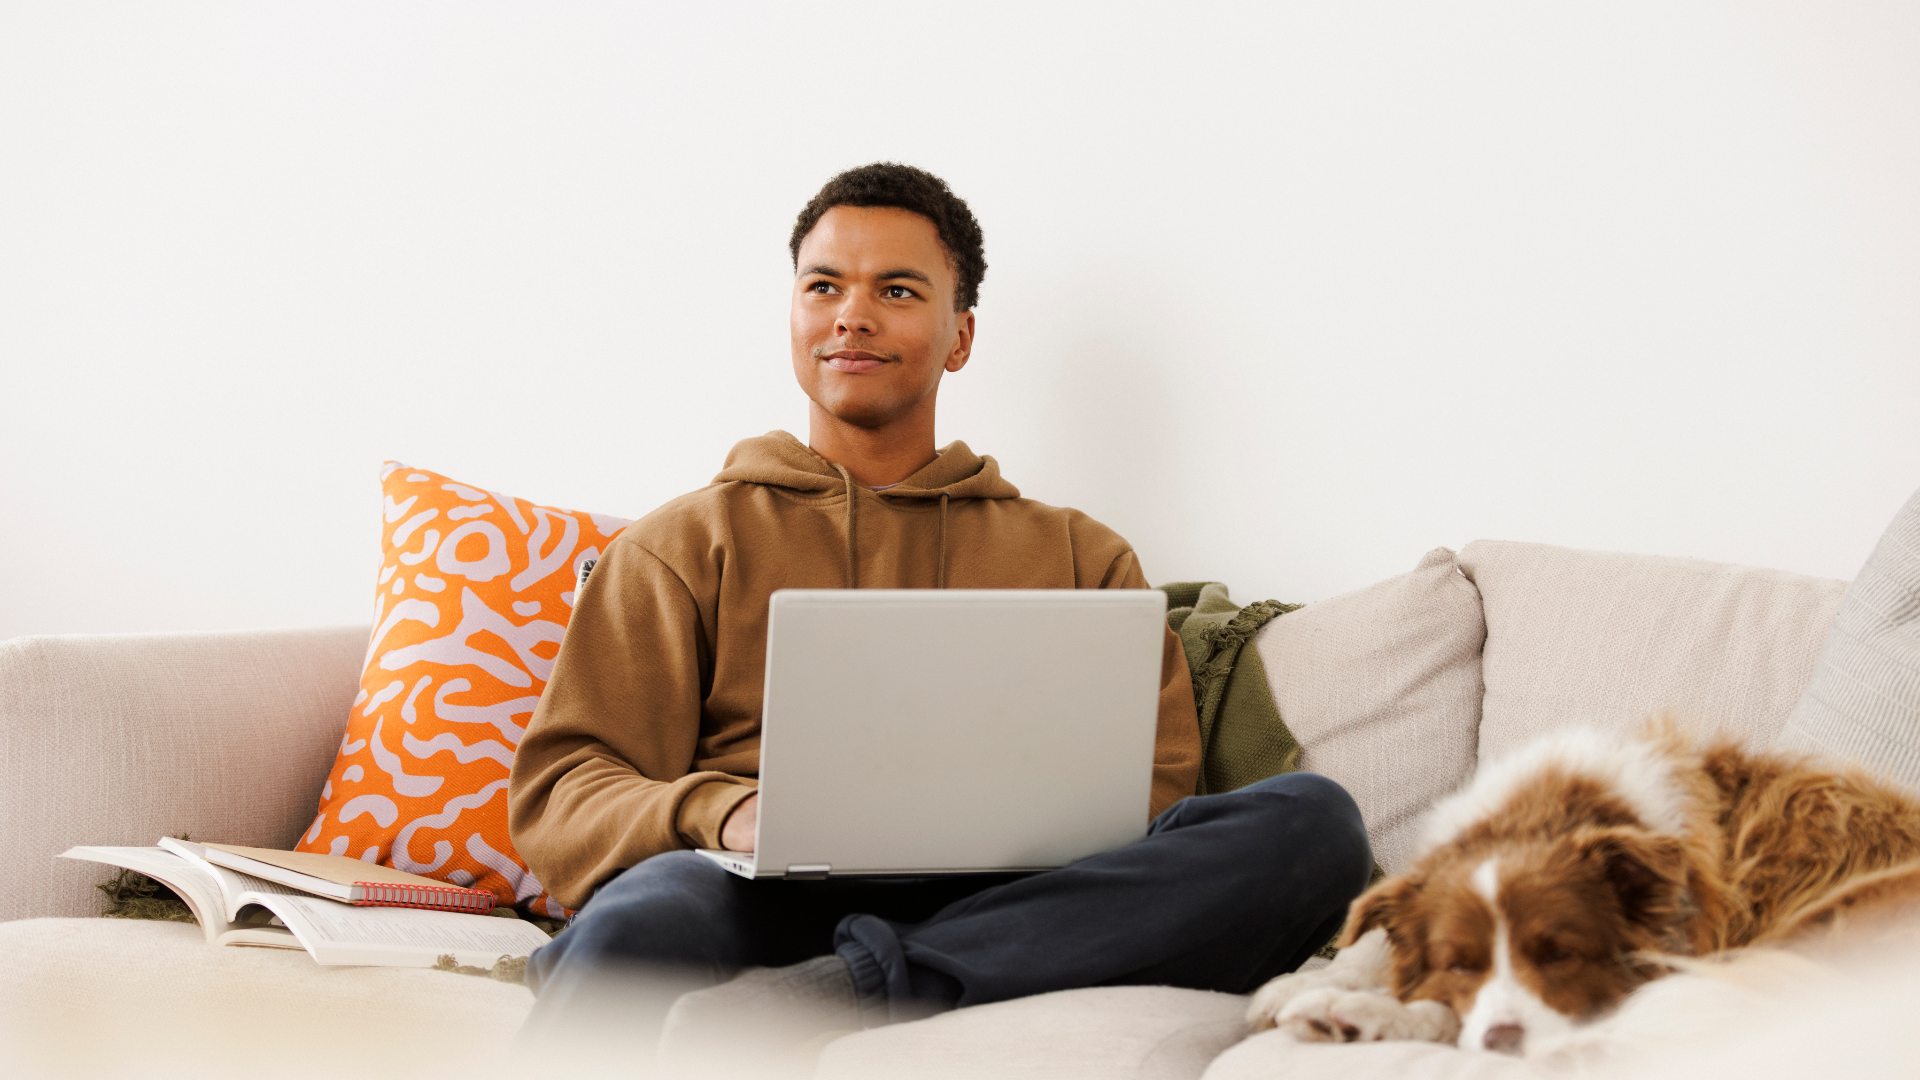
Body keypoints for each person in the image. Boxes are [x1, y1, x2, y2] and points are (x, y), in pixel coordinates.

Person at [506, 162, 1372, 1063]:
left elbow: (1151, 795)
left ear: (960, 337)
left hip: (1019, 908)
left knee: (1313, 824)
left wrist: (1015, 836)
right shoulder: (683, 543)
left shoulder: (1084, 557)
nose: (852, 314)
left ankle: (847, 990)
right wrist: (730, 813)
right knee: (645, 918)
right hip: (762, 899)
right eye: (824, 286)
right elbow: (562, 790)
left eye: (897, 290)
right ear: (794, 316)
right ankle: (884, 981)